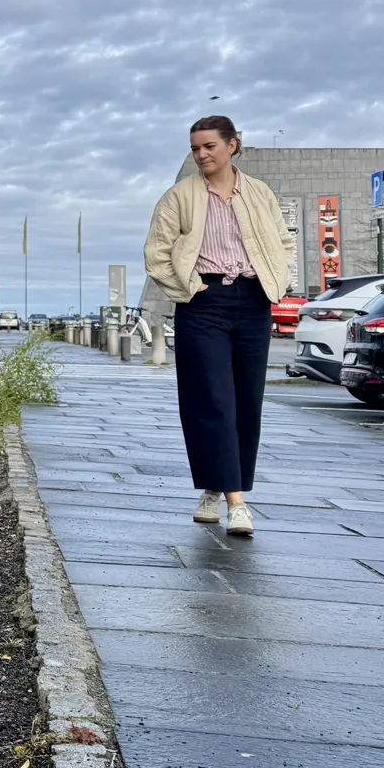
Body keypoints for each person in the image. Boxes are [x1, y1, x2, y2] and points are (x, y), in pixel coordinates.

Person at [143, 116, 295, 537]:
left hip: (252, 301)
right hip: (203, 301)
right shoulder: (179, 197)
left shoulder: (259, 193)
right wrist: (190, 289)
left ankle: (215, 487)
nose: (201, 154)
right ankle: (237, 502)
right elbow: (156, 253)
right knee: (210, 399)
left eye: (209, 145)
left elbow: (283, 242)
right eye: (195, 148)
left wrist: (276, 282)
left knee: (247, 401)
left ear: (233, 145)